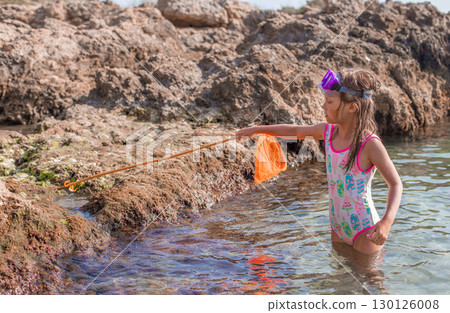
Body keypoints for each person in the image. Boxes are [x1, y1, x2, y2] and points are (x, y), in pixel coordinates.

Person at [236, 68, 403, 254]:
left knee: (370, 279)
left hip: (365, 231)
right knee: (339, 277)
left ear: (352, 107)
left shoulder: (369, 144)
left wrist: (386, 222)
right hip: (337, 226)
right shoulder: (328, 132)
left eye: (329, 102)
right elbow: (295, 131)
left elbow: (395, 184)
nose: (323, 106)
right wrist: (257, 130)